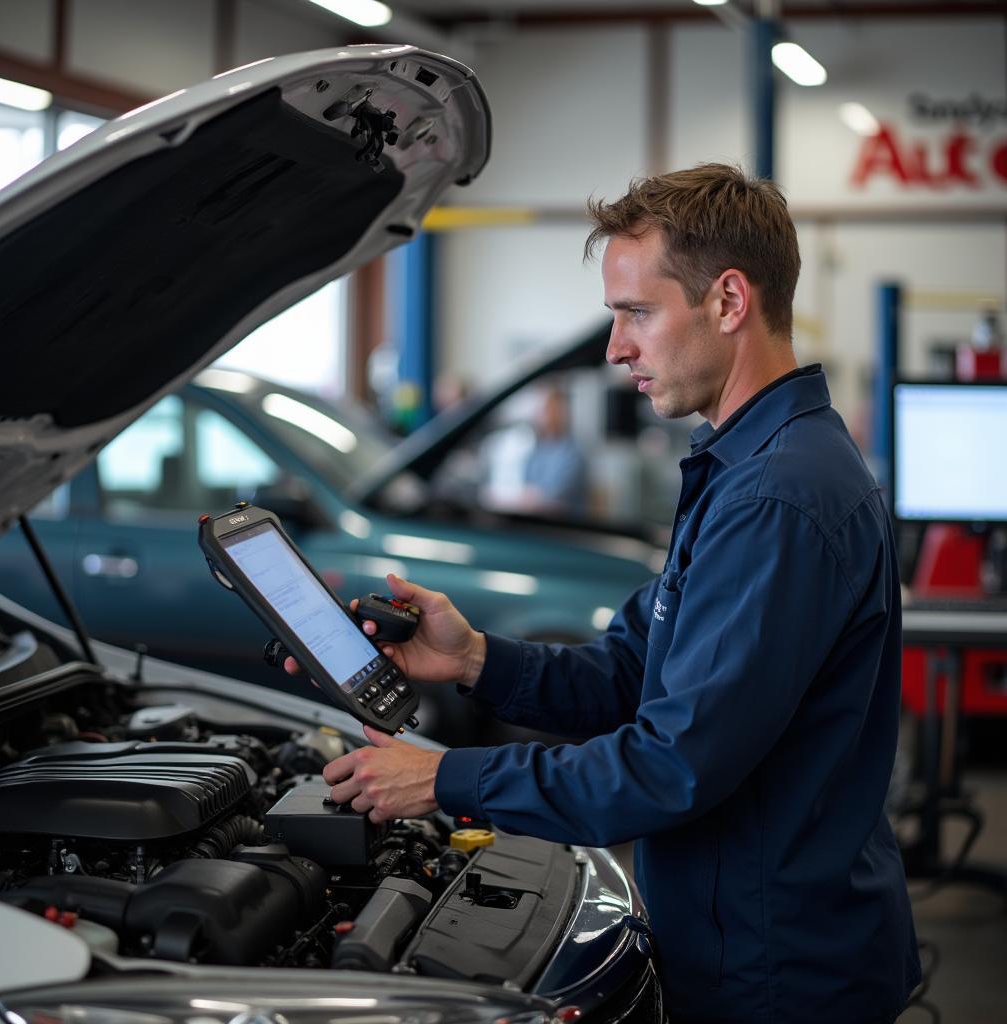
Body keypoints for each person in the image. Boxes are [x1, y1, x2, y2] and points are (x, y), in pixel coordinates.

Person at [289, 164, 920, 1023]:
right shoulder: (744, 469)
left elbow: (669, 766)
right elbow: (636, 672)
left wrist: (447, 779)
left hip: (776, 974)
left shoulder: (780, 497)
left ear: (729, 302)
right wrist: (475, 658)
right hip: (747, 941)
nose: (618, 348)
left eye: (637, 312)